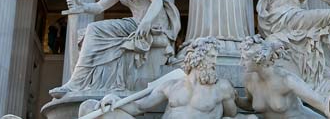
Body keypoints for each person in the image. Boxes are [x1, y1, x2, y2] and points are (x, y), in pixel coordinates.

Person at [49, 0, 180, 97]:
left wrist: (146, 22)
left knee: (93, 30)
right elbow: (99, 7)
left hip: (152, 24)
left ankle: (76, 83)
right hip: (134, 23)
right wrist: (81, 6)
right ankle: (81, 83)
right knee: (87, 32)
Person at [95, 38, 248, 119]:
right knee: (90, 107)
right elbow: (139, 107)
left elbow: (231, 115)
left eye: (215, 57)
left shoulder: (221, 87)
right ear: (197, 58)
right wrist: (116, 100)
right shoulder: (171, 85)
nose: (214, 62)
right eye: (211, 57)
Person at [239, 36, 330, 119]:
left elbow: (323, 104)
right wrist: (235, 99)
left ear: (259, 60)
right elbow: (251, 104)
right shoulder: (249, 80)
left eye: (245, 59)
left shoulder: (286, 80)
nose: (241, 62)